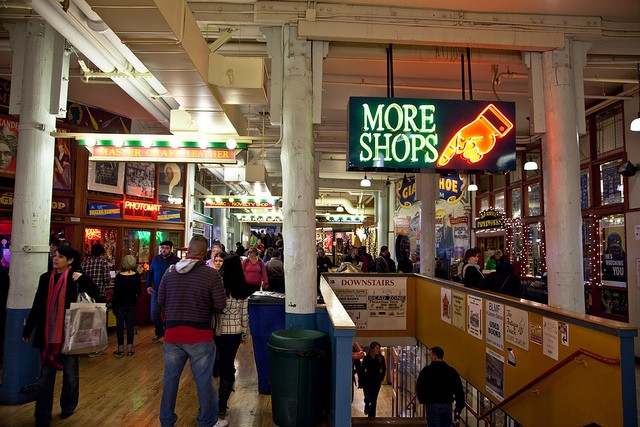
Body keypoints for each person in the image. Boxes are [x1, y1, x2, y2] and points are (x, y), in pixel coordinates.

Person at [22, 246, 100, 425]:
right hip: (48, 334)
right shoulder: (45, 278)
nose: (55, 259)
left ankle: (68, 406)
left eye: (60, 256)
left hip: (70, 334)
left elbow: (96, 295)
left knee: (70, 375)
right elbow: (38, 304)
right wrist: (29, 329)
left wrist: (84, 279)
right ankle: (42, 415)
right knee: (45, 377)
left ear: (70, 260)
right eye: (55, 256)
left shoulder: (76, 278)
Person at [157, 236, 228, 427]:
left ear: (188, 250)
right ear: (205, 253)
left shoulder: (170, 271)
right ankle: (207, 421)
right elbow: (221, 305)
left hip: (172, 334)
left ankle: (166, 420)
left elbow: (160, 300)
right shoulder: (211, 275)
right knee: (204, 380)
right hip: (200, 335)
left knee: (170, 379)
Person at [216, 253, 253, 416]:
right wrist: (245, 334)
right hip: (234, 332)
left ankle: (211, 401)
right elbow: (244, 315)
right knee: (227, 364)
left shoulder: (218, 284)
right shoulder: (242, 287)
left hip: (217, 330)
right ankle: (222, 403)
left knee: (215, 364)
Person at [416, 346, 465, 427]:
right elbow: (458, 389)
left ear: (435, 356)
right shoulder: (451, 371)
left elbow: (420, 386)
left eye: (431, 355)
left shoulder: (426, 371)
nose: (430, 357)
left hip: (432, 404)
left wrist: (422, 400)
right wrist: (459, 405)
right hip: (447, 404)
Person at [146, 240, 180, 343]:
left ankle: (170, 334)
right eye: (162, 248)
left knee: (171, 314)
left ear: (171, 249)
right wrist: (148, 285)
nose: (163, 250)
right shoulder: (156, 259)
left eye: (166, 248)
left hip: (171, 291)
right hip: (157, 290)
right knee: (154, 312)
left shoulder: (176, 260)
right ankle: (159, 332)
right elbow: (150, 273)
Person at [112, 255, 141, 357]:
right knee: (130, 326)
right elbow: (138, 291)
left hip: (119, 303)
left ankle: (120, 349)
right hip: (131, 303)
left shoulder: (119, 276)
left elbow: (115, 292)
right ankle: (129, 349)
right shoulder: (136, 276)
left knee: (120, 326)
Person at [359, 341, 386, 417]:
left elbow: (383, 369)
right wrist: (362, 379)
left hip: (376, 381)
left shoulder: (381, 358)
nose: (378, 350)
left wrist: (381, 377)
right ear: (372, 348)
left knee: (374, 399)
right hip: (367, 381)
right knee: (368, 397)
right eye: (377, 348)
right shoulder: (367, 358)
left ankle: (372, 416)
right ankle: (367, 405)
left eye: (379, 348)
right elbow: (363, 369)